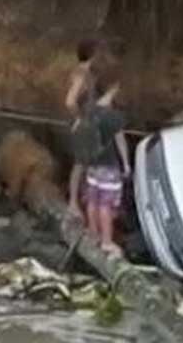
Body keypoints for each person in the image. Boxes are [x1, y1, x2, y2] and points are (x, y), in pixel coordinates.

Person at [80, 78, 132, 255]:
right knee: (106, 205)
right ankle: (107, 242)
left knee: (92, 200)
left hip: (92, 165)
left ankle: (93, 232)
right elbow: (120, 141)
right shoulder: (113, 116)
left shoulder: (88, 111)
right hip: (109, 167)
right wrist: (126, 164)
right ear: (113, 90)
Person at [65, 39, 100, 218]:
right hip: (82, 124)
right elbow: (70, 101)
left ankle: (83, 197)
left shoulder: (84, 73)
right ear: (92, 54)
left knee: (86, 161)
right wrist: (79, 119)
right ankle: (72, 203)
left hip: (88, 122)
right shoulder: (81, 75)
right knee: (79, 163)